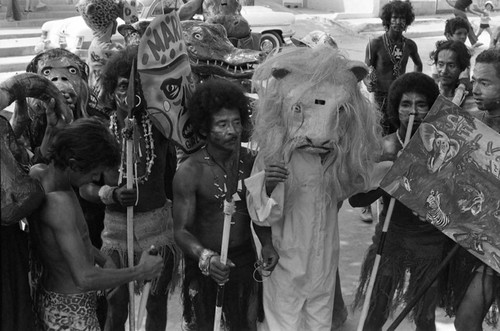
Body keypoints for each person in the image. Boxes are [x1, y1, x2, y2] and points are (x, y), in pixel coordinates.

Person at [78, 46, 181, 331]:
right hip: (115, 233)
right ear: (111, 92)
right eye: (124, 85)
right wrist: (109, 194)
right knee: (116, 304)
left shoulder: (161, 127)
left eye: (139, 84)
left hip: (156, 231)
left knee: (156, 303)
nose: (132, 91)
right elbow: (83, 186)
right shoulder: (101, 133)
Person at [28, 117, 164, 331]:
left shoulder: (38, 173)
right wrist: (140, 271)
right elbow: (84, 277)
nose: (97, 177)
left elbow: (64, 242)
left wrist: (103, 259)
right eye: (95, 172)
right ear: (73, 163)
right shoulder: (59, 204)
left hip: (54, 301)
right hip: (71, 312)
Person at [173, 78, 279, 330]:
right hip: (204, 268)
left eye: (236, 122)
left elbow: (257, 210)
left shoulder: (253, 162)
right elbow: (181, 231)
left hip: (243, 262)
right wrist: (206, 258)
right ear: (205, 129)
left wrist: (267, 243)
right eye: (222, 124)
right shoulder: (190, 171)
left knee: (245, 325)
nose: (232, 131)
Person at [352, 72, 451, 331]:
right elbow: (357, 199)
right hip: (390, 239)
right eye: (406, 104)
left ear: (431, 108)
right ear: (396, 107)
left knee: (425, 318)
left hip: (430, 243)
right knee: (375, 312)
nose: (413, 112)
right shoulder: (384, 147)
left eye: (421, 105)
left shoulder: (443, 147)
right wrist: (390, 175)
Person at [450, 48, 500, 331]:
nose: (475, 90)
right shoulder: (475, 123)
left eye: (485, 82)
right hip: (486, 244)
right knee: (466, 320)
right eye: (474, 82)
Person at [363, 0, 423, 135]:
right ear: (388, 20)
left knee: (398, 129)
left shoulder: (409, 45)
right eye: (395, 17)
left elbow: (418, 64)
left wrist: (414, 83)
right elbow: (367, 69)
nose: (398, 22)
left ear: (407, 21)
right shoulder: (375, 44)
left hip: (400, 94)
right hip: (381, 95)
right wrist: (368, 82)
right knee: (380, 130)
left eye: (402, 18)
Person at [431, 40, 476, 111]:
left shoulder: (473, 98)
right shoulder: (429, 95)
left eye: (451, 65)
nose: (444, 71)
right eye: (440, 64)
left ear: (462, 67)